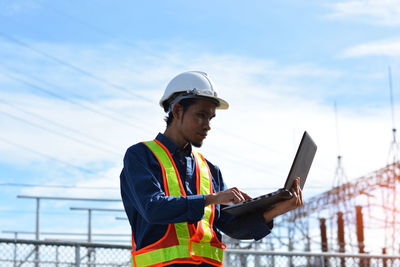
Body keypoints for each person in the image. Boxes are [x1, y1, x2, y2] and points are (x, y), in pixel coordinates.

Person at [120, 71, 303, 267]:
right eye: (201, 115)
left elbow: (230, 225)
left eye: (210, 118)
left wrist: (279, 208)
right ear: (177, 111)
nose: (207, 126)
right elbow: (153, 209)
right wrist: (211, 199)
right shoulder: (141, 156)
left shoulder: (210, 170)